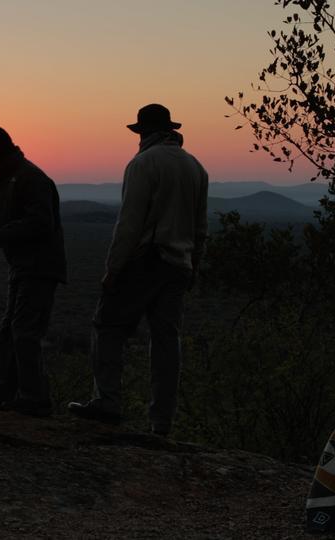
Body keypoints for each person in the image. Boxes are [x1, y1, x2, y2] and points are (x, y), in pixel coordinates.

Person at [68, 104, 209, 436]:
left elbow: (129, 225)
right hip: (180, 264)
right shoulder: (196, 168)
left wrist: (113, 269)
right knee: (166, 341)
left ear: (143, 133)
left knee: (108, 326)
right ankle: (162, 422)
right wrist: (194, 265)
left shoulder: (143, 164)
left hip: (146, 260)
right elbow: (200, 228)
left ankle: (107, 403)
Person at [0, 125, 68, 417]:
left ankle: (34, 398)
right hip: (22, 266)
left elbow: (41, 223)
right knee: (10, 330)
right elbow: (6, 220)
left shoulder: (31, 179)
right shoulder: (7, 179)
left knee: (24, 331)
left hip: (40, 266)